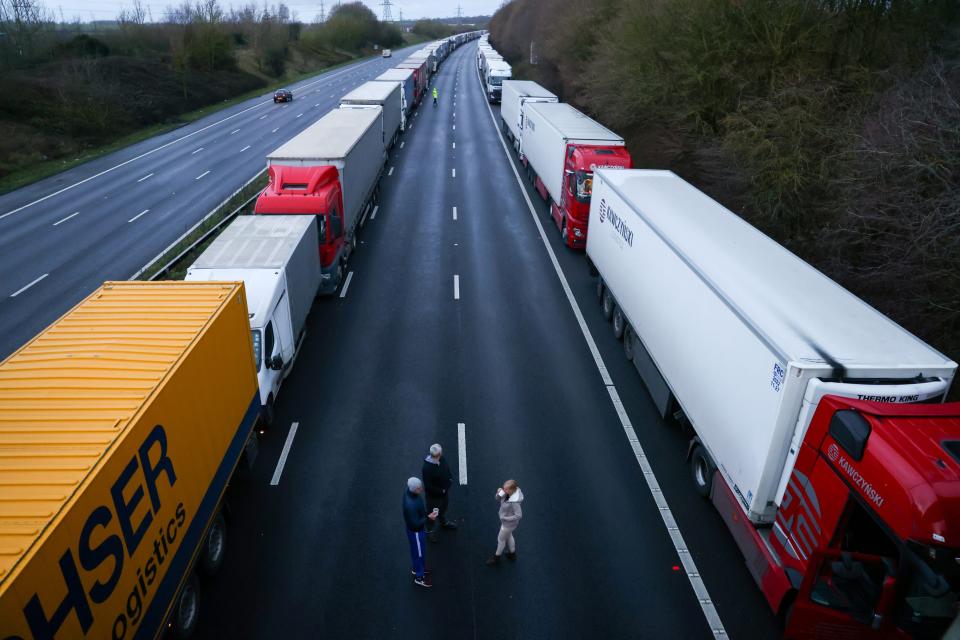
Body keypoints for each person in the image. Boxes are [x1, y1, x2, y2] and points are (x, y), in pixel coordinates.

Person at [403, 477, 437, 587]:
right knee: (419, 553)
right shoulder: (410, 505)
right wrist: (428, 518)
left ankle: (417, 568)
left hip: (415, 531)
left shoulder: (410, 494)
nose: (421, 489)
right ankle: (419, 577)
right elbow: (415, 524)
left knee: (416, 552)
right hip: (416, 532)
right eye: (419, 488)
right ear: (414, 489)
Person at [422, 444, 457, 542]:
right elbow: (428, 486)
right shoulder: (427, 468)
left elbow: (447, 469)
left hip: (444, 493)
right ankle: (429, 531)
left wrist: (450, 479)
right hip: (434, 498)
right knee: (433, 514)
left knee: (443, 508)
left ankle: (443, 522)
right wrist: (441, 491)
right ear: (439, 453)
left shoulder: (441, 459)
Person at [486, 479, 524, 566]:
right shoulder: (507, 494)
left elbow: (519, 515)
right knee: (509, 536)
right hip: (507, 524)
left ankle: (496, 558)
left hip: (508, 524)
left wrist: (506, 518)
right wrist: (499, 493)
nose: (504, 490)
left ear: (512, 490)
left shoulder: (515, 503)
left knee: (501, 540)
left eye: (506, 489)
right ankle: (512, 554)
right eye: (504, 487)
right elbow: (497, 498)